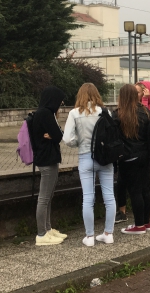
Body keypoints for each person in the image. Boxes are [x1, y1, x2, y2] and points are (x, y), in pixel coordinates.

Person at [62, 83, 116, 247]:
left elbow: (67, 139)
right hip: (106, 159)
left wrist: (79, 142)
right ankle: (108, 233)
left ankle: (90, 236)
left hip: (86, 157)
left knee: (88, 197)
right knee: (109, 196)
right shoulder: (106, 112)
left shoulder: (74, 113)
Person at [113, 84, 150, 234]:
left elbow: (114, 137)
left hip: (129, 158)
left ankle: (139, 226)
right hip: (146, 157)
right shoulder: (145, 112)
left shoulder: (118, 114)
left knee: (135, 192)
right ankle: (147, 222)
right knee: (145, 189)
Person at [32, 86, 67, 246]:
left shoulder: (42, 113)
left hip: (47, 158)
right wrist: (54, 134)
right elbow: (60, 135)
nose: (61, 103)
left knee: (48, 196)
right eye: (60, 100)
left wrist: (53, 134)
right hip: (47, 160)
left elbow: (56, 135)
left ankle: (47, 229)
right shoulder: (46, 113)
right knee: (44, 197)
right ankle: (41, 234)